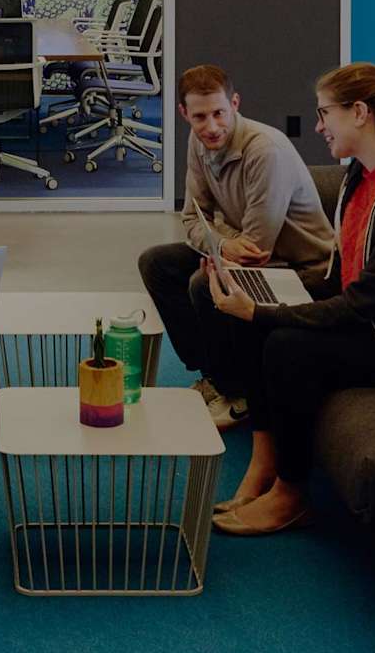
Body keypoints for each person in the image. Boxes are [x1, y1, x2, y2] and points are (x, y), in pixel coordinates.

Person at [201, 61, 375, 537]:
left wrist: (266, 311)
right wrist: (263, 294)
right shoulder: (360, 177)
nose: (319, 125)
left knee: (285, 344)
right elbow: (339, 277)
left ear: (360, 113)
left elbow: (364, 303)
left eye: (326, 113)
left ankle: (290, 494)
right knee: (257, 321)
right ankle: (265, 463)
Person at [137, 64, 337, 431]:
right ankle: (214, 376)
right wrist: (223, 244)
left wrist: (219, 246)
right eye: (199, 117)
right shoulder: (198, 142)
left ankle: (238, 394)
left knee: (205, 282)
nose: (211, 127)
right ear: (184, 113)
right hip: (245, 251)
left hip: (304, 270)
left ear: (235, 103)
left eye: (219, 114)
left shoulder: (265, 150)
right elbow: (191, 219)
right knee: (156, 263)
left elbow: (257, 248)